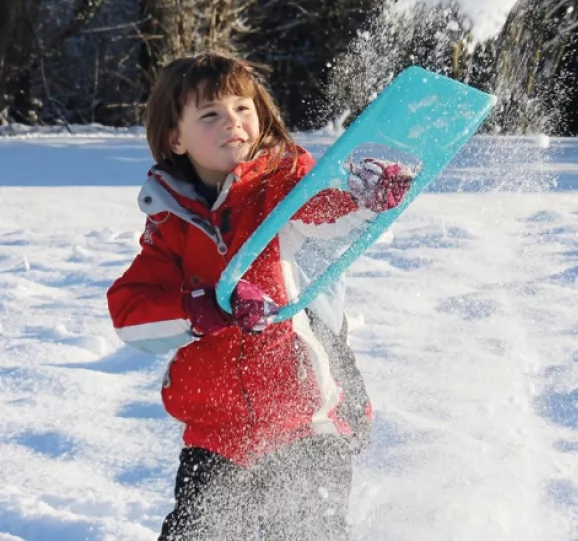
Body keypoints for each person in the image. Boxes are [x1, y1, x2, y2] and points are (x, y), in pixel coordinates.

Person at [106, 53, 414, 540]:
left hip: (305, 420)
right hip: (216, 434)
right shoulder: (170, 224)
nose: (233, 122)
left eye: (242, 108)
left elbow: (324, 211)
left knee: (301, 531)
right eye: (210, 114)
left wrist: (364, 196)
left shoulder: (284, 183)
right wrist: (196, 309)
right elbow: (130, 314)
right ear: (175, 138)